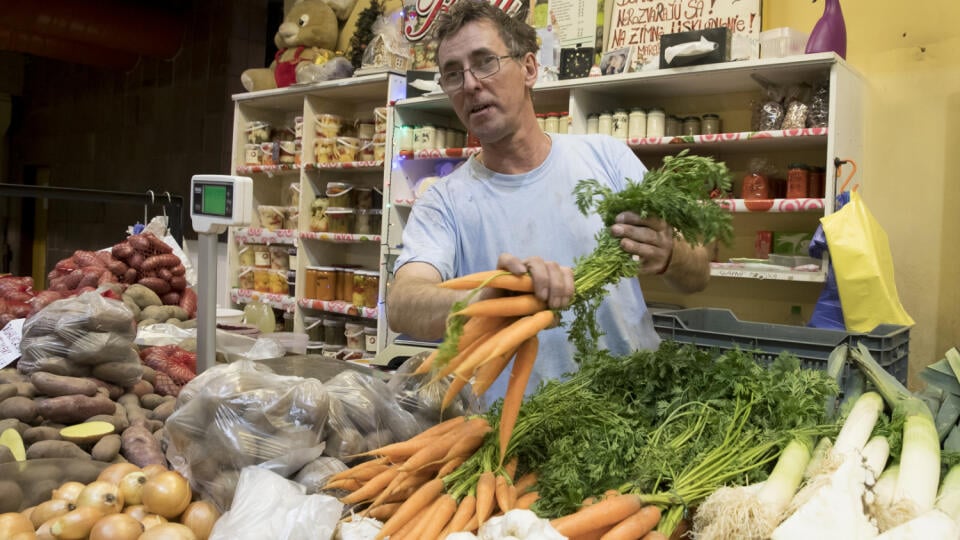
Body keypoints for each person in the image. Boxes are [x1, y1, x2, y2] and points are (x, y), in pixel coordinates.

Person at [387, 0, 710, 404]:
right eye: (453, 74)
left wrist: (671, 254)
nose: (469, 84)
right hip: (517, 435)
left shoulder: (606, 158)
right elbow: (402, 303)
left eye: (485, 62)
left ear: (528, 69)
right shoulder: (444, 200)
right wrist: (484, 301)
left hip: (635, 411)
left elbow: (697, 273)